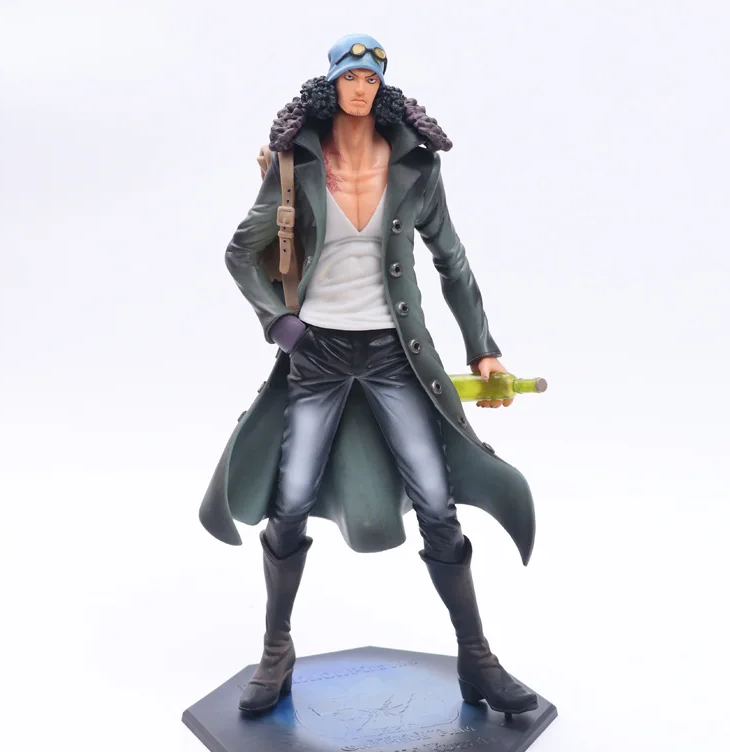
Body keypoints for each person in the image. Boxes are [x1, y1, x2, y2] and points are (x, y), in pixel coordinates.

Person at [199, 34, 539, 717]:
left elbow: (452, 259)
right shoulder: (296, 163)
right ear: (331, 84)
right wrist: (279, 323)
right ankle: (276, 650)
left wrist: (483, 349)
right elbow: (240, 253)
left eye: (371, 78)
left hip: (394, 351)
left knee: (436, 500)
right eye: (350, 76)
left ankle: (477, 658)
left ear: (382, 87)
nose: (361, 88)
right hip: (316, 353)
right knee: (290, 500)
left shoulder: (415, 165)